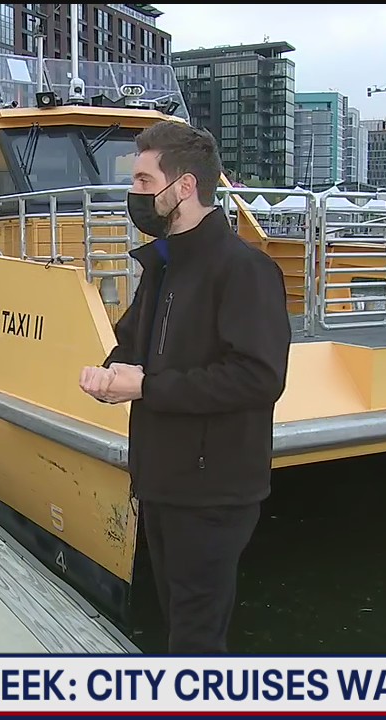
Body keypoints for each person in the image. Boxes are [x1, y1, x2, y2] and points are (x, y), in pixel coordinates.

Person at [78, 121, 292, 653]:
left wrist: (147, 386)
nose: (135, 195)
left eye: (145, 182)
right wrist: (111, 375)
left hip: (212, 491)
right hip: (163, 482)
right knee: (178, 620)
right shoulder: (163, 266)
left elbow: (259, 376)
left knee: (197, 636)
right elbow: (132, 345)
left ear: (185, 187)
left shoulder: (245, 271)